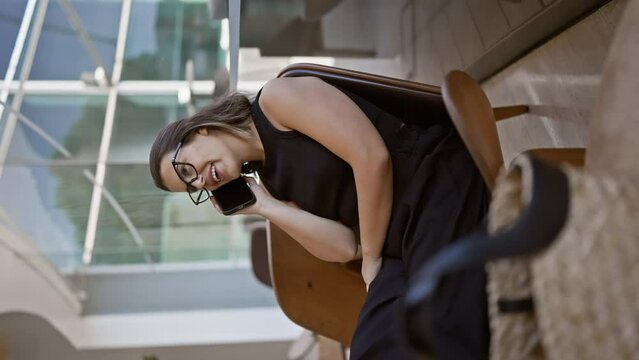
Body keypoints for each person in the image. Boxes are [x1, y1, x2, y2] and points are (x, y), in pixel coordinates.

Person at [149, 76, 489, 359]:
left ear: (197, 131)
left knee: (442, 325)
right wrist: (266, 208)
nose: (201, 181)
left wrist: (371, 261)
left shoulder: (276, 102)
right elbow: (345, 247)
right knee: (371, 347)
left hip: (429, 180)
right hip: (398, 243)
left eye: (186, 169)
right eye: (191, 186)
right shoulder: (269, 182)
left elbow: (372, 158)